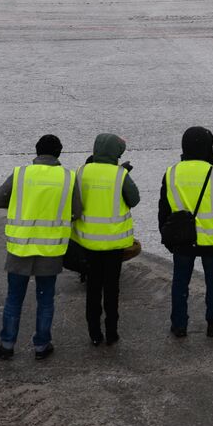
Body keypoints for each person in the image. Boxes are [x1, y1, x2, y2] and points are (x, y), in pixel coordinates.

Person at [0, 134, 81, 361]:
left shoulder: (21, 174)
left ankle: (7, 344)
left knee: (14, 298)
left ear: (37, 151)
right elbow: (76, 212)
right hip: (51, 249)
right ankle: (41, 345)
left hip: (21, 246)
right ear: (59, 154)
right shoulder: (68, 178)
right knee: (46, 299)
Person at [159, 126, 213, 338]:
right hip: (212, 240)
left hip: (182, 239)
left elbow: (163, 210)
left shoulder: (171, 172)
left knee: (179, 283)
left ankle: (179, 324)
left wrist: (167, 239)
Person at [73, 133, 139, 346]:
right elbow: (134, 199)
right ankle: (111, 332)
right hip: (113, 243)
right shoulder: (119, 175)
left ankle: (94, 333)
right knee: (111, 288)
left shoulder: (82, 171)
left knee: (93, 288)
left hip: (88, 242)